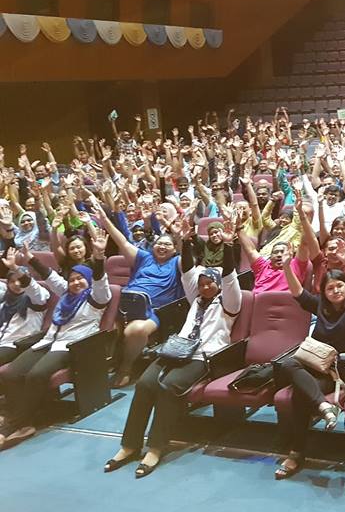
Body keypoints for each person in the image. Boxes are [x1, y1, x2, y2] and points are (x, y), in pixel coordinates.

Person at [104, 231, 242, 478]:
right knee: (145, 384)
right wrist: (186, 242)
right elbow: (188, 271)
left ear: (219, 285)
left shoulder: (229, 303)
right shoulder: (195, 299)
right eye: (201, 284)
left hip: (203, 356)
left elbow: (230, 276)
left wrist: (229, 245)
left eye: (210, 283)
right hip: (176, 350)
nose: (205, 287)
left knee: (168, 387)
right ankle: (130, 445)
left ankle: (155, 448)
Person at [0, 226, 113, 448]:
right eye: (72, 279)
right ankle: (21, 415)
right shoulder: (66, 295)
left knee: (36, 375)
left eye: (81, 279)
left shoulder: (96, 299)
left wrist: (99, 256)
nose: (76, 283)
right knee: (12, 373)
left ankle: (17, 424)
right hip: (48, 341)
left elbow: (100, 281)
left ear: (88, 280)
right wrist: (25, 262)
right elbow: (49, 277)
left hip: (72, 346)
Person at [273, 239, 345, 480]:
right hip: (314, 367)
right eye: (330, 288)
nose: (335, 291)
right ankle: (324, 407)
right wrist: (287, 267)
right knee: (288, 363)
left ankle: (296, 453)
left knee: (299, 394)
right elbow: (297, 293)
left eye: (339, 286)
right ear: (324, 292)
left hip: (340, 372)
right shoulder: (321, 306)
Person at [94, 202, 183, 387]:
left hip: (156, 312)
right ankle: (104, 365)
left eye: (167, 244)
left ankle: (126, 367)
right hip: (125, 305)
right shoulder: (144, 257)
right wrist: (105, 220)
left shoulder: (178, 262)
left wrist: (180, 236)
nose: (162, 246)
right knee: (105, 329)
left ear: (175, 249)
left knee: (136, 330)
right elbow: (122, 241)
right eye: (159, 243)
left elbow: (188, 255)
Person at [0, 246, 51, 367]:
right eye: (12, 281)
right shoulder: (5, 301)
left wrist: (15, 268)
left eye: (20, 280)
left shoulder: (35, 299)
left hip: (17, 345)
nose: (17, 284)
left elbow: (34, 289)